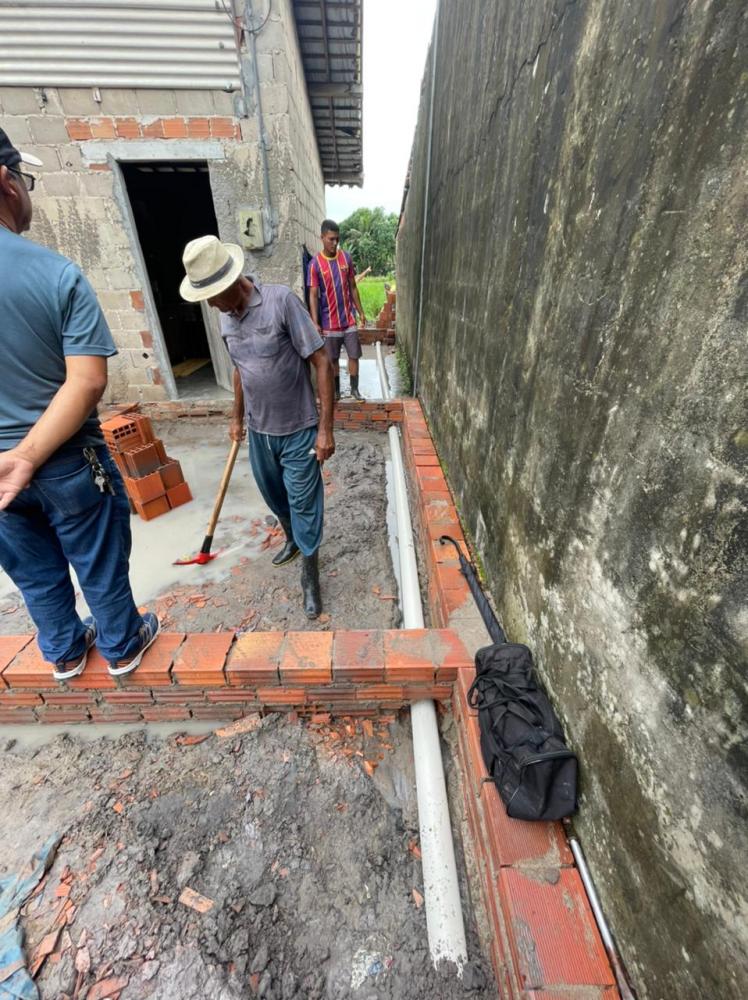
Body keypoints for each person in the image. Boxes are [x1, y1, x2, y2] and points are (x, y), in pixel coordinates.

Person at [0, 128, 159, 681]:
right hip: (64, 461)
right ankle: (121, 645)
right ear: (7, 183)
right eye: (28, 179)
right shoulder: (54, 274)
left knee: (33, 570)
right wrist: (27, 454)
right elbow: (87, 382)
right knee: (96, 555)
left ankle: (66, 652)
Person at [179, 235, 335, 619]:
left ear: (232, 283)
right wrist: (235, 418)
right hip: (260, 431)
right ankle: (292, 540)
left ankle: (310, 575)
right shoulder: (225, 318)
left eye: (214, 295)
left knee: (304, 503)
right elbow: (239, 370)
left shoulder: (281, 301)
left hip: (298, 428)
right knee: (274, 496)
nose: (212, 304)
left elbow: (321, 361)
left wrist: (326, 429)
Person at [308, 219, 367, 401]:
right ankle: (336, 392)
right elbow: (313, 294)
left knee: (354, 355)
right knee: (332, 359)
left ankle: (355, 390)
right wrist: (315, 322)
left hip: (348, 319)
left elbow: (353, 287)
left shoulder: (346, 258)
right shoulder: (315, 264)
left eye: (337, 239)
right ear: (322, 237)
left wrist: (361, 312)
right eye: (331, 239)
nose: (335, 243)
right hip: (329, 323)